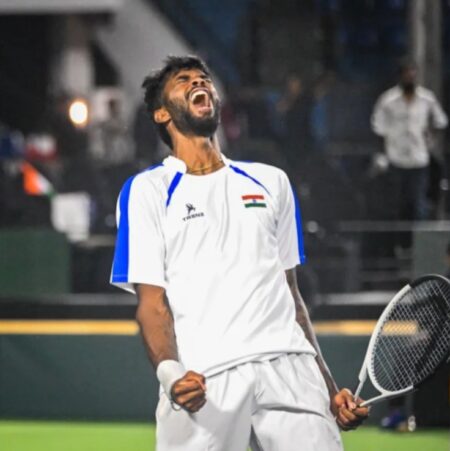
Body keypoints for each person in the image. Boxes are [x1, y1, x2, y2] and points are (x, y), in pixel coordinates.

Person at [110, 55, 368, 450]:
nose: (199, 82)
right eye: (184, 80)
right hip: (205, 378)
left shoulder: (271, 181)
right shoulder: (146, 191)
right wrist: (171, 375)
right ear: (162, 113)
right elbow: (152, 302)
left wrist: (330, 389)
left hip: (291, 372)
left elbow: (291, 295)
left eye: (203, 78)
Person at [371, 60, 448, 221]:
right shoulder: (388, 100)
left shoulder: (426, 98)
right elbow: (378, 126)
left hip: (418, 158)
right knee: (395, 204)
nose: (410, 78)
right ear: (400, 76)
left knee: (417, 203)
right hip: (395, 158)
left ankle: (418, 235)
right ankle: (397, 236)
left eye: (412, 75)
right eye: (407, 75)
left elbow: (441, 121)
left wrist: (430, 135)